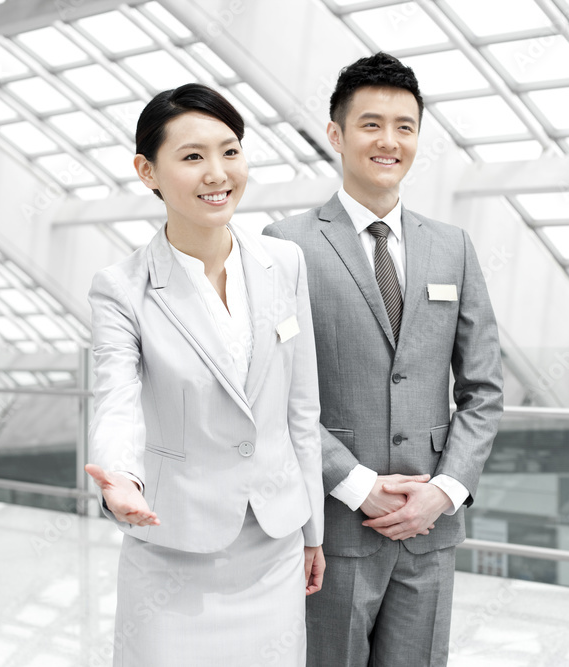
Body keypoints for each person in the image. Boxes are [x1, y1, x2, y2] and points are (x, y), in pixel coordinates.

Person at [264, 53, 504, 666]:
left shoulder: (452, 247)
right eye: (371, 124)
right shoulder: (285, 245)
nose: (389, 141)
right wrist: (357, 483)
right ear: (337, 135)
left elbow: (483, 388)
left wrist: (447, 490)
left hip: (430, 528)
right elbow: (273, 389)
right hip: (335, 527)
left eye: (405, 126)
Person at [84, 83, 325, 667]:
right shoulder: (122, 289)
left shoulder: (283, 263)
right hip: (174, 547)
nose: (218, 173)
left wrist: (313, 528)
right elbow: (116, 396)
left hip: (274, 542)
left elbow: (302, 408)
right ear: (148, 171)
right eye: (193, 157)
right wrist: (120, 479)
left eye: (230, 151)